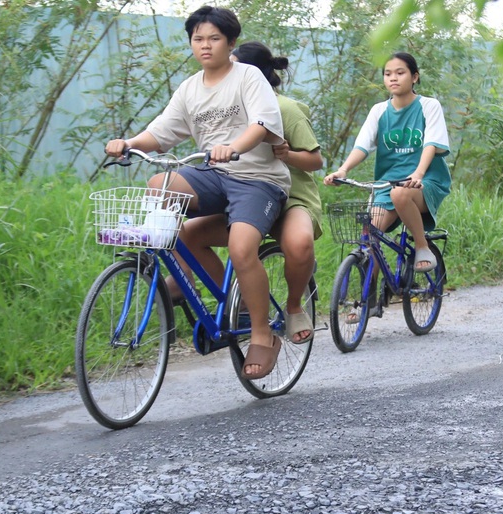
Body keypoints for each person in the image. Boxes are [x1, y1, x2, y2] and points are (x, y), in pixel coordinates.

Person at [104, 6, 290, 379]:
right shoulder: (190, 88)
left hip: (258, 179)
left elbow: (261, 124)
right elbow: (161, 132)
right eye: (198, 39)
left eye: (214, 39)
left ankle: (261, 333)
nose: (205, 46)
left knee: (241, 249)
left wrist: (234, 145)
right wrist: (129, 142)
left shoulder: (248, 77)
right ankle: (192, 280)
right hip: (213, 175)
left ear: (231, 42)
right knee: (161, 185)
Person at [175, 41, 323, 344]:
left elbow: (316, 160)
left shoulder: (285, 109)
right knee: (189, 234)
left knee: (299, 244)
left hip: (289, 195)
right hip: (242, 191)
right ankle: (235, 306)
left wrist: (287, 155)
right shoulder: (222, 103)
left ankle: (294, 306)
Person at [322, 52, 451, 273]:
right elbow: (362, 146)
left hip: (425, 181)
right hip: (388, 183)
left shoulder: (429, 106)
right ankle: (368, 304)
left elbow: (431, 143)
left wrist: (418, 173)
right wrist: (343, 170)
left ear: (415, 77)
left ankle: (422, 246)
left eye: (400, 73)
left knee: (400, 193)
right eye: (388, 74)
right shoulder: (379, 110)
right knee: (367, 239)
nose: (393, 78)